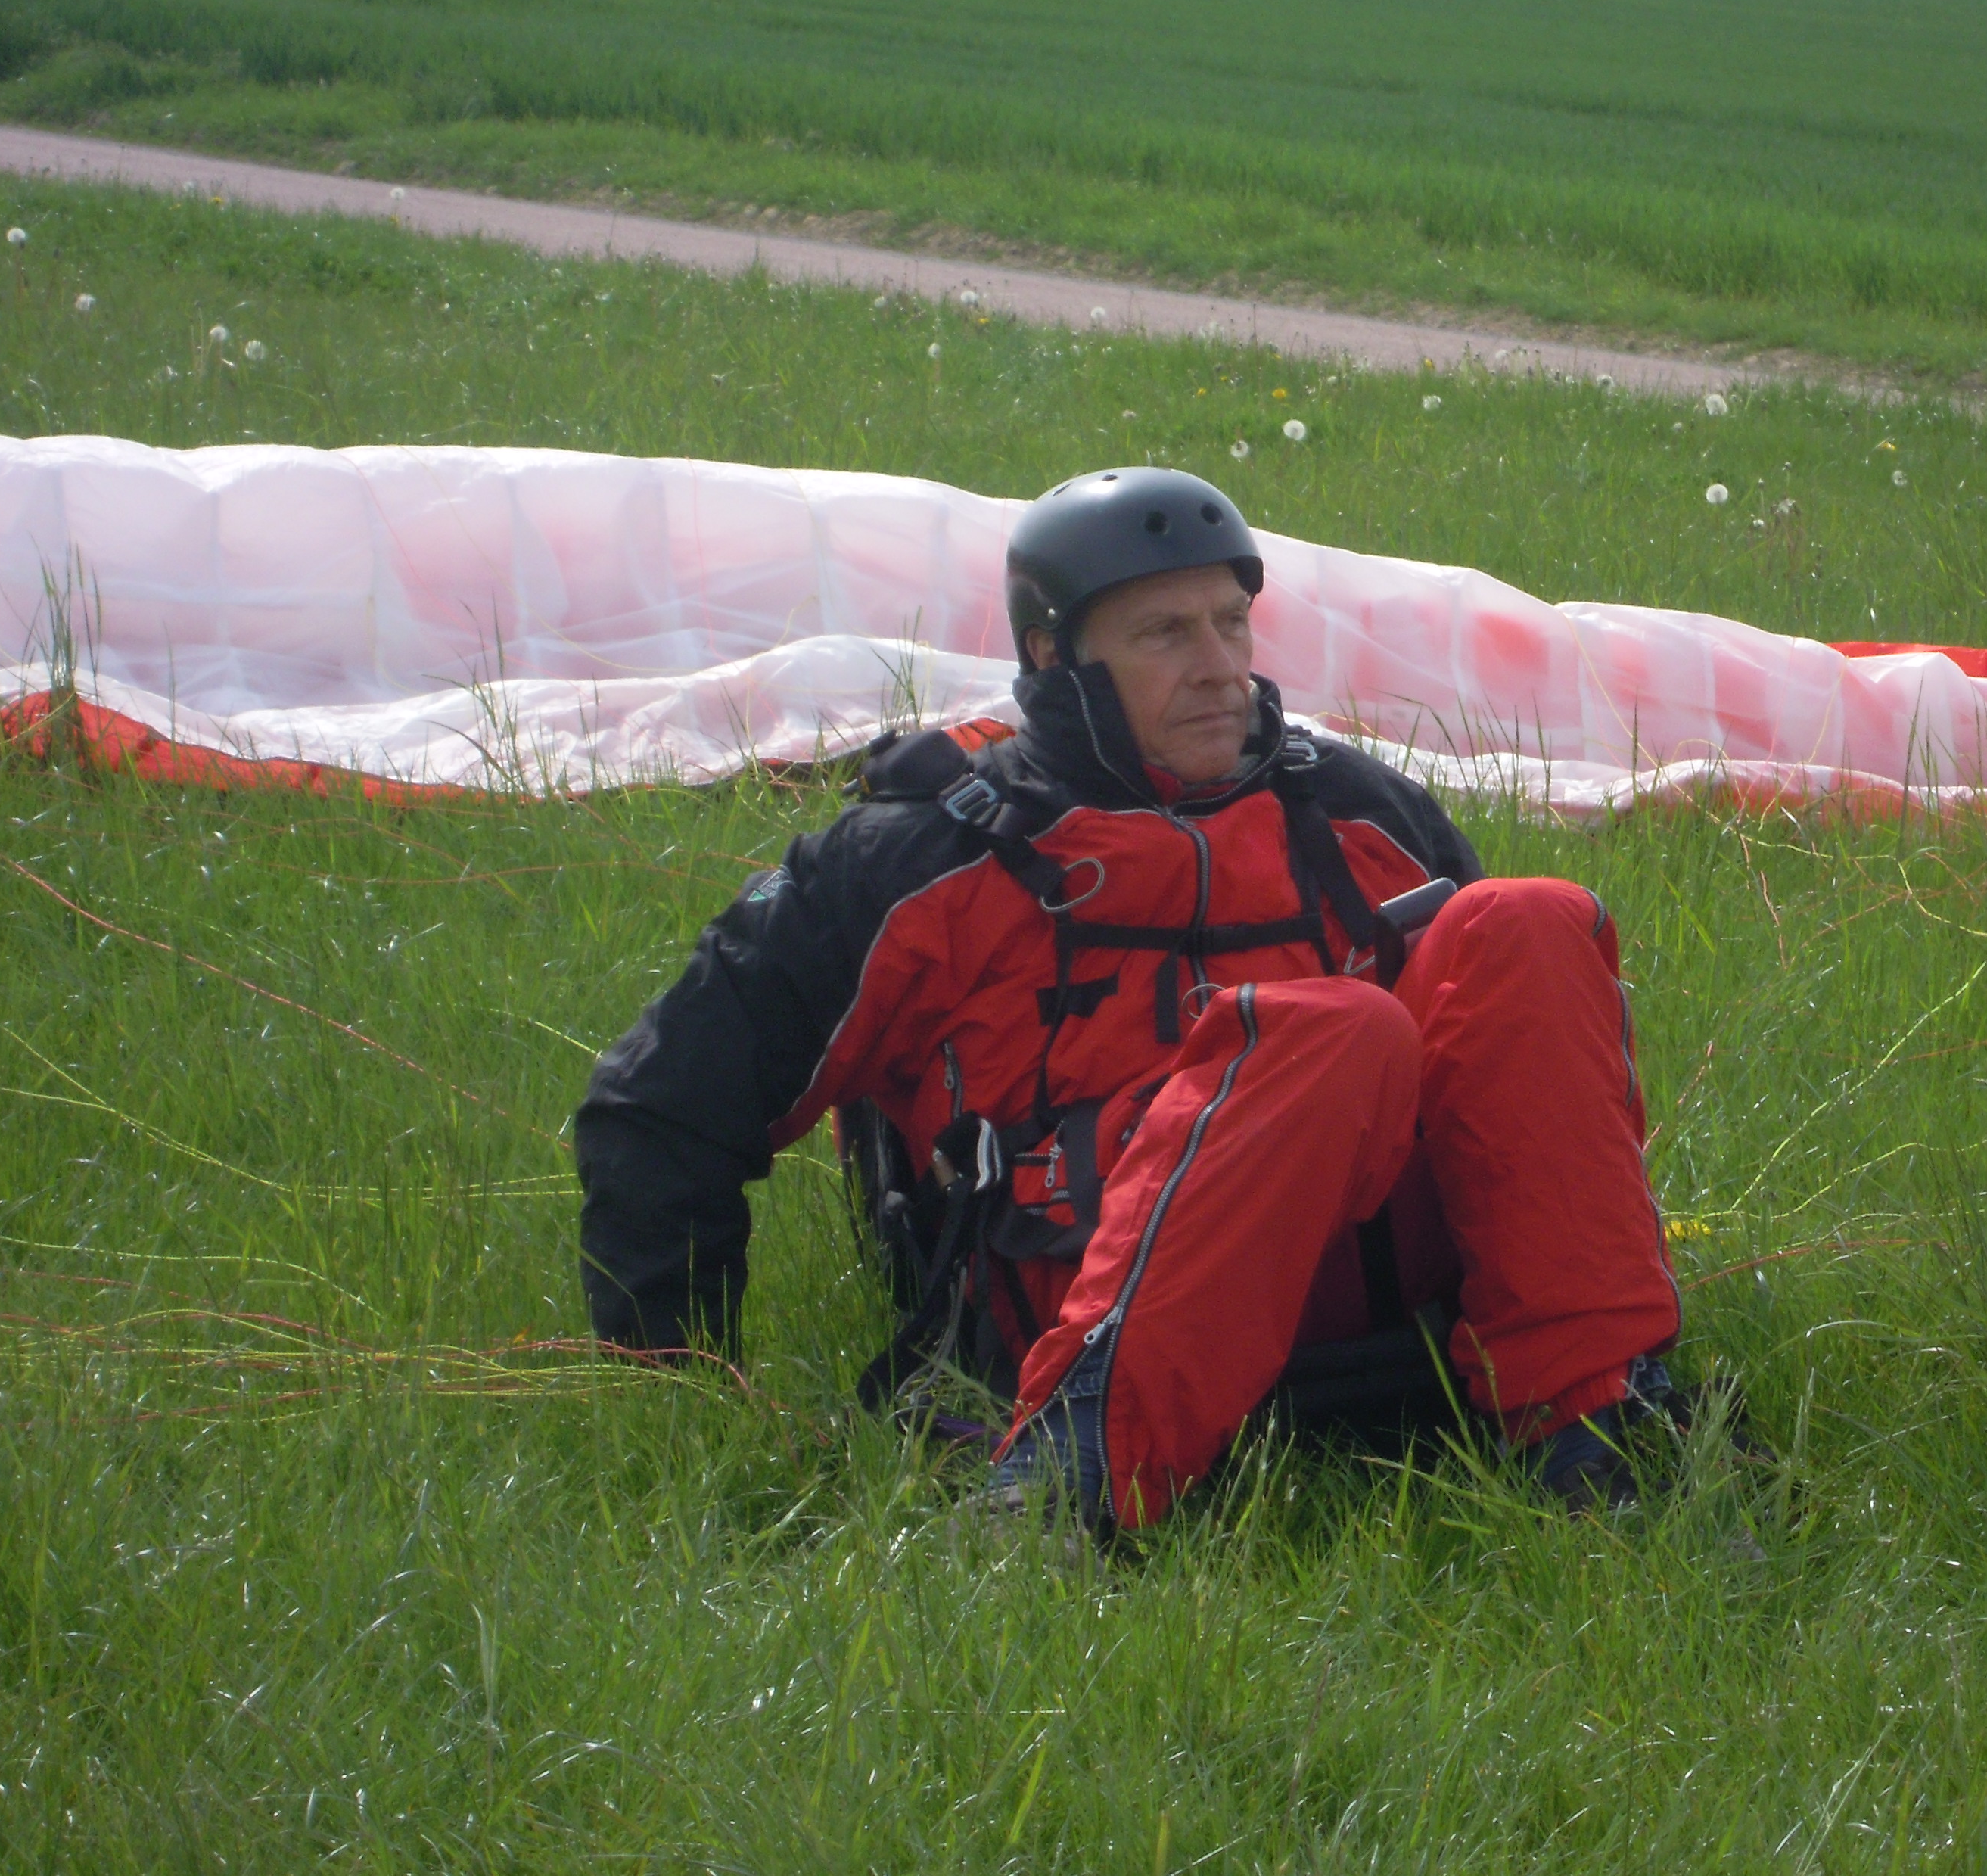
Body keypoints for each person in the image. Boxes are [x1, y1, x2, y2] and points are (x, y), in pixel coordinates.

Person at [574, 466, 1682, 1535]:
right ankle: (1067, 1480)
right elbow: (661, 1104)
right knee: (1329, 1029)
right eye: (1166, 635)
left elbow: (1514, 1079)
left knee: (1530, 920)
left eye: (1232, 625)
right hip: (1081, 1305)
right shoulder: (916, 859)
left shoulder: (1356, 811)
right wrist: (684, 1398)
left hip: (1389, 1302)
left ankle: (1606, 1425)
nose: (1220, 670)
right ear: (1055, 656)